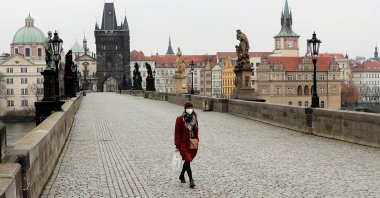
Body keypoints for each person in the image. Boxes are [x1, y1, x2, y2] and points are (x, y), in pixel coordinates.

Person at [174, 101, 199, 188]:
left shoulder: (194, 118)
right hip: (183, 143)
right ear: (185, 109)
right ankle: (191, 180)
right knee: (188, 159)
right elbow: (177, 133)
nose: (190, 109)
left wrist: (197, 140)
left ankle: (181, 175)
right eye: (188, 107)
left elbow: (196, 131)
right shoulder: (180, 119)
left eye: (191, 107)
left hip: (192, 142)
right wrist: (177, 145)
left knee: (188, 160)